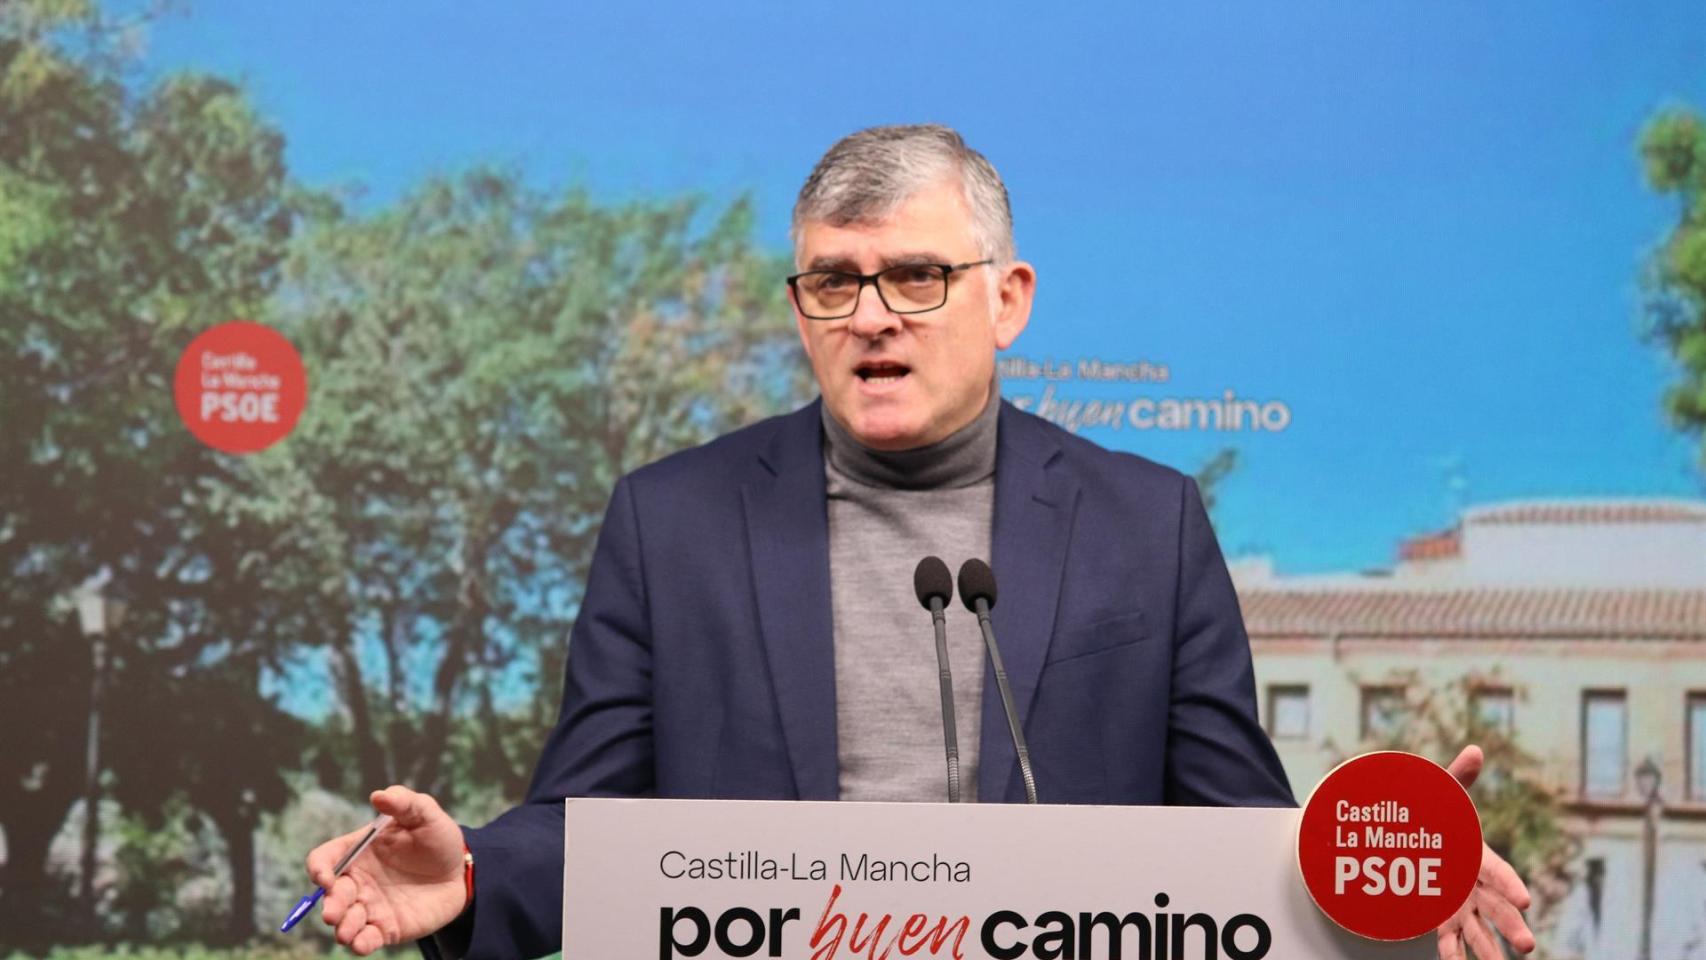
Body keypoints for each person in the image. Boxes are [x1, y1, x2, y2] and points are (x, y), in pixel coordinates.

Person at [306, 124, 1534, 960]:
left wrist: (1376, 891)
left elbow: (1223, 845)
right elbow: (591, 825)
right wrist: (470, 877)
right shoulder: (670, 519)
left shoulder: (1144, 523)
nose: (871, 317)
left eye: (916, 276)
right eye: (831, 283)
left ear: (1008, 300)